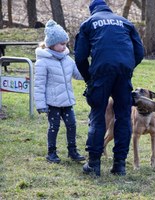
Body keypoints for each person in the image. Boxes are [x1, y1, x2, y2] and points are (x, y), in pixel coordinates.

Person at [74, 0, 144, 176]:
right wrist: (126, 68)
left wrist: (89, 78)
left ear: (92, 11)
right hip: (123, 72)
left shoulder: (88, 24)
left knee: (98, 115)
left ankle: (93, 165)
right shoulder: (126, 23)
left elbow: (80, 57)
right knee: (123, 116)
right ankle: (119, 165)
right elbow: (140, 52)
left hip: (101, 72)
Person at [34, 20, 85, 163]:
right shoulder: (42, 62)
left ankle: (72, 151)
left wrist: (91, 70)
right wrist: (41, 104)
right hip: (53, 103)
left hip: (67, 101)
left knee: (72, 125)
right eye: (61, 44)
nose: (65, 46)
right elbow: (39, 85)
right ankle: (51, 153)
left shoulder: (68, 59)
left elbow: (78, 74)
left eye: (65, 43)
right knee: (54, 127)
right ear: (51, 44)